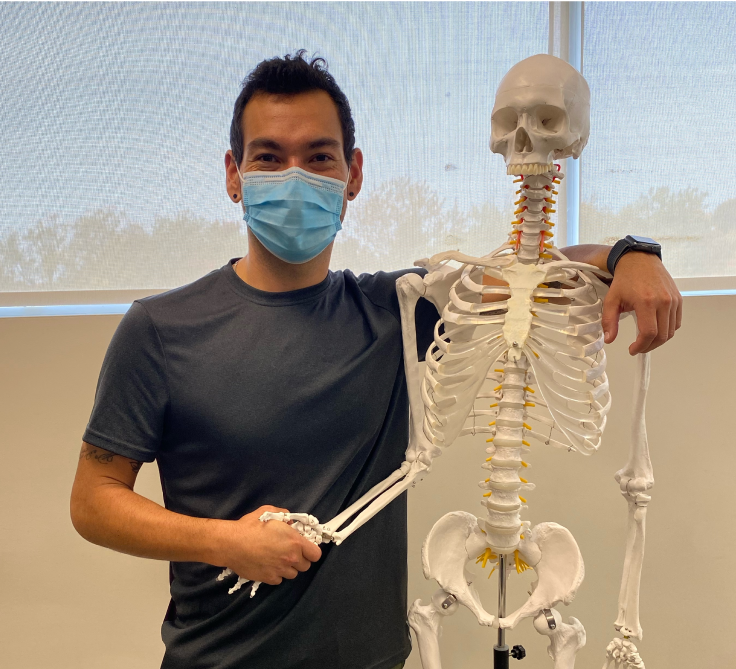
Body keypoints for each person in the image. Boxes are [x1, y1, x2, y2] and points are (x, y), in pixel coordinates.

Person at [70, 52, 682, 669]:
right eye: (268, 158)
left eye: (318, 157)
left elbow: (532, 272)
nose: (294, 177)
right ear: (234, 175)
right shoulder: (160, 329)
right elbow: (94, 499)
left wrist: (632, 252)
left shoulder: (395, 311)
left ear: (352, 173)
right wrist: (225, 542)